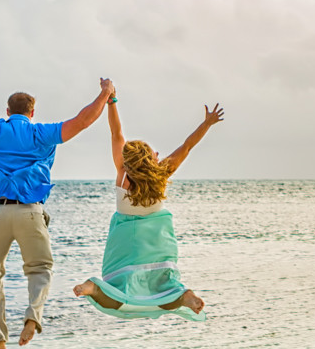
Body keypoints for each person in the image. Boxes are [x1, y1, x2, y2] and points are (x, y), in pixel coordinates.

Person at [0, 34, 115, 349]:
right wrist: (105, 93)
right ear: (32, 112)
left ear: (8, 111)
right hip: (31, 214)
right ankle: (33, 316)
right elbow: (82, 120)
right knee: (40, 269)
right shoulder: (42, 132)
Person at [73, 93, 224, 320]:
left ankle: (93, 288)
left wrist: (112, 102)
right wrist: (206, 124)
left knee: (118, 293)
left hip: (125, 243)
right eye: (154, 153)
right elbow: (188, 145)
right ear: (151, 160)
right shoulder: (162, 175)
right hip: (157, 242)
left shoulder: (123, 176)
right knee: (164, 288)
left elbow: (116, 133)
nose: (158, 154)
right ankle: (184, 297)